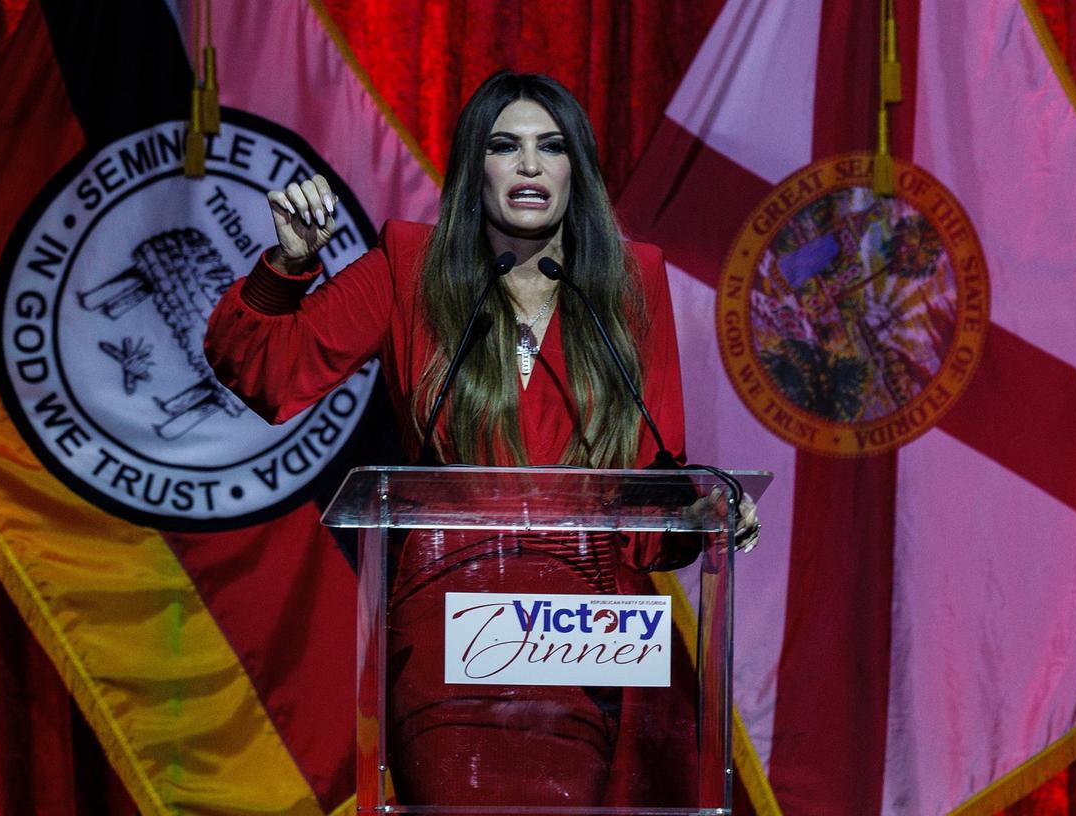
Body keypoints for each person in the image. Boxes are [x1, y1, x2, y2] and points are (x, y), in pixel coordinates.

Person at [205, 71, 711, 809]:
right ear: (476, 167)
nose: (530, 165)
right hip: (448, 639)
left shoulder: (632, 284)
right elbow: (266, 371)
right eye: (505, 146)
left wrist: (697, 512)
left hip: (585, 642)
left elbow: (648, 498)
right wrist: (287, 266)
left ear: (579, 170)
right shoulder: (413, 268)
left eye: (552, 147)